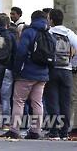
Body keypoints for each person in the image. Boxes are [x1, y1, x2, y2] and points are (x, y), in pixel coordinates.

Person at [0, 10, 53, 140]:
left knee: (19, 101)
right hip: (42, 74)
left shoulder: (29, 32)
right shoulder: (49, 34)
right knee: (37, 102)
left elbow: (21, 52)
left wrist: (17, 70)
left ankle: (14, 130)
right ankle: (35, 131)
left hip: (27, 73)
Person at [44, 9, 77, 140]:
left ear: (51, 20)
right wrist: (72, 61)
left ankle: (54, 131)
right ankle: (64, 132)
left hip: (51, 70)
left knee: (52, 101)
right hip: (66, 70)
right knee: (66, 102)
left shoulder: (48, 32)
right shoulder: (69, 33)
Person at [0, 14, 17, 126]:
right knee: (6, 97)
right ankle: (6, 121)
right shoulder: (11, 36)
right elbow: (15, 53)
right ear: (7, 25)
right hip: (7, 68)